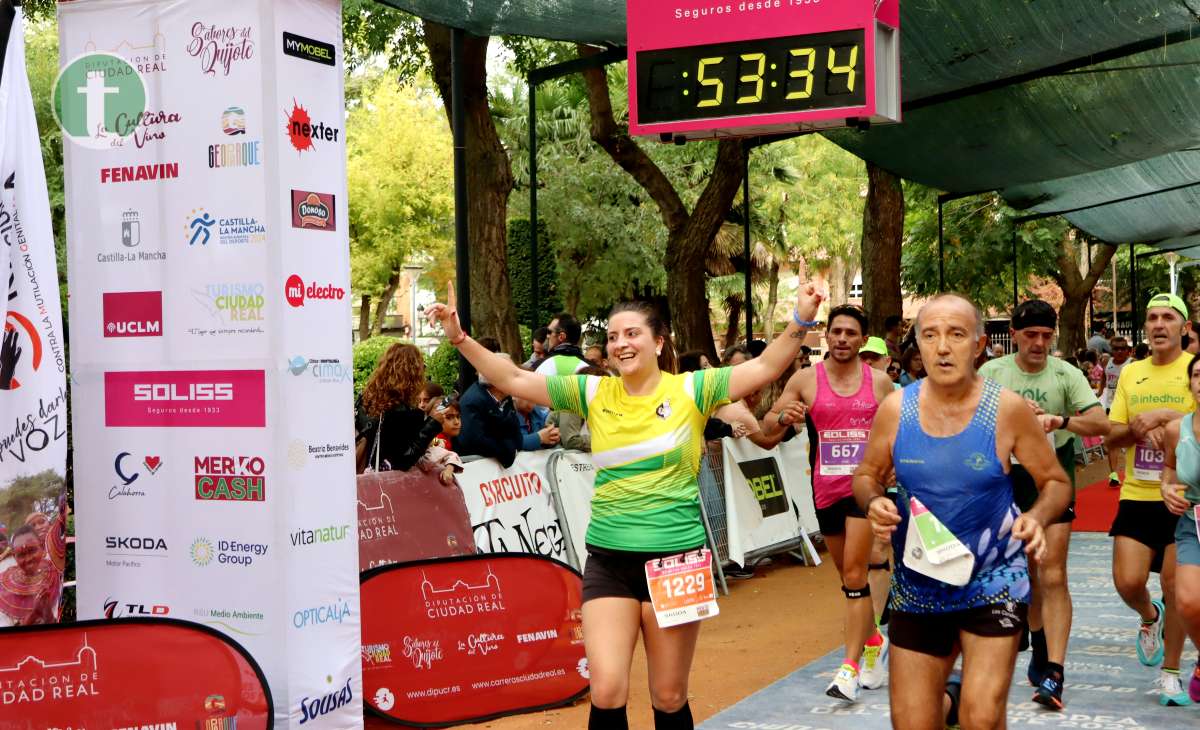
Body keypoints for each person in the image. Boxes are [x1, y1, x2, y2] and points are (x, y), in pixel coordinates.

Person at [426, 280, 823, 730]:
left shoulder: (692, 390)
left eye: (631, 333)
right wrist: (459, 337)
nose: (620, 344)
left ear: (657, 341)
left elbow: (768, 366)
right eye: (613, 337)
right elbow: (513, 378)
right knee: (607, 689)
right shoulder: (594, 393)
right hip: (609, 559)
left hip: (676, 560)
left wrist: (803, 318)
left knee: (669, 696)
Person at [853, 293, 1070, 730]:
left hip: (994, 579)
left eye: (956, 334)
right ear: (917, 343)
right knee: (913, 723)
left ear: (979, 344)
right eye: (930, 335)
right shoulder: (896, 409)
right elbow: (867, 475)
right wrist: (874, 500)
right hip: (920, 581)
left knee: (983, 717)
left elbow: (1056, 482)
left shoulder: (1006, 408)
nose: (943, 347)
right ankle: (948, 697)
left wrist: (1037, 516)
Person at [977, 299, 1111, 709]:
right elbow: (967, 417)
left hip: (1053, 477)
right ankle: (1037, 643)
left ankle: (1055, 669)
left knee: (1052, 573)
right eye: (1030, 335)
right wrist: (1012, 417)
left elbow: (1101, 424)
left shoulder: (1066, 374)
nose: (1038, 344)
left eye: (1046, 336)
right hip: (1004, 479)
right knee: (1026, 572)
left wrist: (1059, 420)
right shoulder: (992, 373)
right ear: (1014, 334)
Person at [762, 305, 895, 701]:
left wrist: (892, 469)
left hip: (865, 490)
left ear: (862, 339)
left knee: (856, 574)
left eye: (850, 333)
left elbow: (901, 430)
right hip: (824, 490)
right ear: (827, 335)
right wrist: (785, 415)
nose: (841, 339)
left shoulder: (881, 383)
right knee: (847, 578)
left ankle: (848, 669)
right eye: (836, 331)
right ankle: (874, 641)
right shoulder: (805, 379)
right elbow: (767, 426)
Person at [1107, 292, 1197, 706]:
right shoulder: (1131, 373)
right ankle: (1149, 616)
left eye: (1167, 318)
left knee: (1177, 584)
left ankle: (1172, 672)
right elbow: (1115, 432)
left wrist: (1164, 415)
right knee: (1127, 581)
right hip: (1138, 492)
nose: (1158, 325)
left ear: (1184, 327)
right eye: (1152, 318)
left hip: (1183, 496)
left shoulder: (1193, 370)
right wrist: (1138, 430)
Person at [1159, 353, 1200, 703]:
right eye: (1198, 375)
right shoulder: (1177, 429)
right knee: (1187, 602)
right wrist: (1166, 489)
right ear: (1190, 383)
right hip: (1193, 522)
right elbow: (1170, 471)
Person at [355, 343, 447, 472]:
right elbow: (404, 461)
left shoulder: (365, 399)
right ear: (414, 374)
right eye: (423, 368)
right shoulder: (409, 413)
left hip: (359, 478)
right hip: (386, 487)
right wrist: (432, 424)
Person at [456, 354, 526, 468]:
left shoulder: (505, 398)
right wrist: (507, 450)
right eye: (511, 373)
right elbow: (474, 441)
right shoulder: (472, 402)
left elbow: (516, 434)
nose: (515, 378)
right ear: (496, 379)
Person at [1104, 336, 1133, 487]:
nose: (1120, 351)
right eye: (1116, 348)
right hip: (1111, 406)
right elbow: (1104, 377)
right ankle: (1113, 474)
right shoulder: (1107, 362)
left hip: (1128, 407)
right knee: (1112, 441)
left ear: (1128, 350)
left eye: (1123, 348)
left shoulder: (1132, 363)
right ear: (1112, 350)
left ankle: (1132, 471)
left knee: (1132, 441)